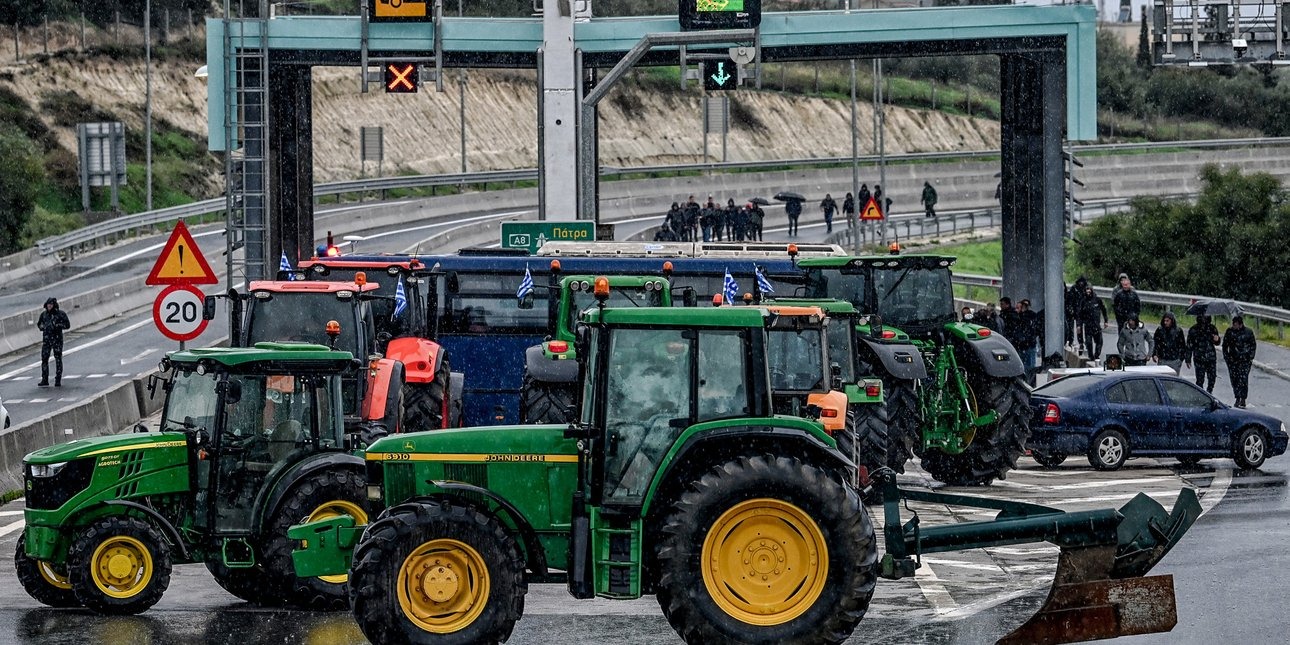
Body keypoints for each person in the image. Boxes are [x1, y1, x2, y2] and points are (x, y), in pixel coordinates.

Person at [1222, 315, 1257, 408]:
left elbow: (1253, 345)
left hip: (1245, 360)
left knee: (1243, 379)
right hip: (1233, 360)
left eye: (1235, 324)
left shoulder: (1248, 332)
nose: (1234, 326)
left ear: (1240, 324)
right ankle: (1237, 397)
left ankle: (1243, 398)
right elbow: (1225, 345)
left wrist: (1250, 357)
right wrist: (1227, 358)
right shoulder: (1230, 332)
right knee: (1234, 379)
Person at [37, 298, 71, 387]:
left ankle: (58, 379)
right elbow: (39, 324)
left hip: (57, 340)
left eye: (51, 304)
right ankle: (45, 379)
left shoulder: (60, 314)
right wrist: (43, 327)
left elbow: (67, 325)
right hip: (46, 340)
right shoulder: (44, 314)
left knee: (58, 359)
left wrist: (58, 326)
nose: (49, 306)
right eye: (48, 304)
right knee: (44, 359)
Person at [1187, 314, 1221, 393]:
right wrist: (1188, 358)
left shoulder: (1212, 328)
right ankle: (1201, 393)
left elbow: (1217, 342)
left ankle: (1209, 391)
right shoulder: (1194, 329)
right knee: (1200, 379)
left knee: (1212, 377)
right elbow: (1189, 345)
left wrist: (1217, 339)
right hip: (1199, 357)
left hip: (1211, 357)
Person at [1076, 283, 1108, 360]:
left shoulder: (1097, 300)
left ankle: (1097, 355)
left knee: (1099, 342)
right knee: (1089, 342)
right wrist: (1079, 325)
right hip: (1088, 326)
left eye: (1089, 290)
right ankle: (1091, 356)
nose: (1088, 292)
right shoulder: (1083, 301)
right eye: (1086, 290)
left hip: (1096, 325)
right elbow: (1079, 315)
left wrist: (1106, 320)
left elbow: (1103, 310)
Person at [1015, 299, 1042, 379]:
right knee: (1030, 365)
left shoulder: (1020, 317)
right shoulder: (1032, 316)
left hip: (1024, 345)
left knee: (1024, 365)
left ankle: (1025, 379)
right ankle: (1029, 379)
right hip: (1028, 344)